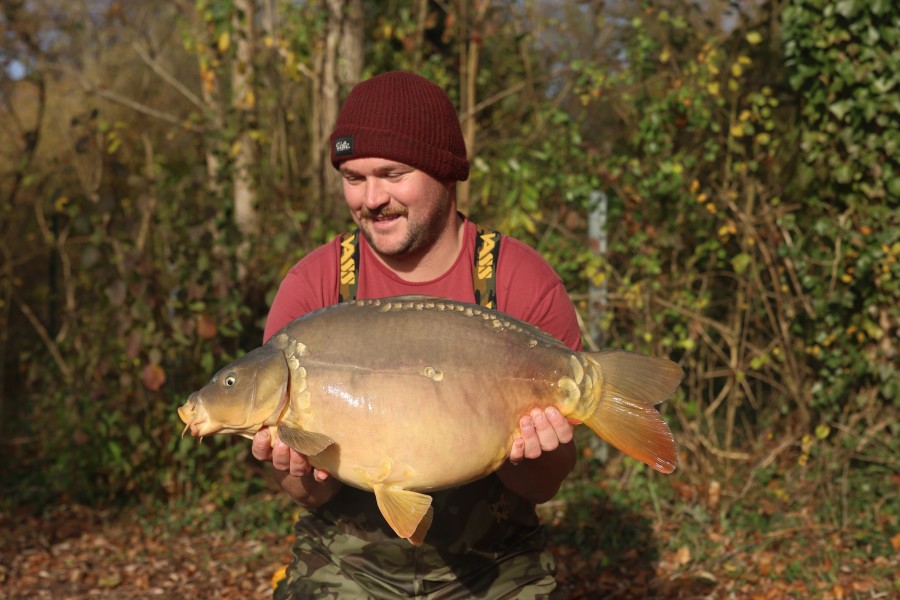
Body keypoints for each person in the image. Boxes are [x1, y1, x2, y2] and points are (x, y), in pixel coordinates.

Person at [252, 71, 583, 599]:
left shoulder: (520, 281)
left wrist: (534, 455)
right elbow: (308, 496)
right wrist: (292, 469)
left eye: (392, 173)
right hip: (348, 564)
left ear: (445, 171)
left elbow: (544, 486)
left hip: (494, 565)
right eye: (354, 178)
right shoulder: (312, 286)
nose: (372, 198)